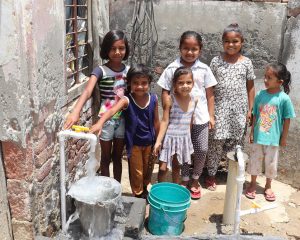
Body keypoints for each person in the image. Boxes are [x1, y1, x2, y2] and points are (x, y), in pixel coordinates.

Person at [157, 31, 217, 199]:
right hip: (179, 119)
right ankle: (184, 179)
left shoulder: (204, 69)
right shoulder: (171, 68)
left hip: (200, 116)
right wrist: (166, 105)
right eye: (186, 48)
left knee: (201, 149)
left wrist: (211, 116)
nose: (190, 52)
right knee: (182, 151)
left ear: (200, 50)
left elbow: (210, 93)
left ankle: (195, 179)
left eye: (194, 49)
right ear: (180, 48)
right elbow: (165, 90)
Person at [64, 30, 130, 182]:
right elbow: (87, 91)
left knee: (118, 157)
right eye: (113, 48)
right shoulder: (100, 71)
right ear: (106, 49)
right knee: (106, 158)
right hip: (105, 122)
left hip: (123, 120)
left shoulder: (128, 71)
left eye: (121, 48)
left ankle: (117, 189)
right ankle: (106, 188)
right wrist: (75, 112)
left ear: (126, 49)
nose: (117, 52)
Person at [90, 64, 160, 198]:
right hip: (134, 145)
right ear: (129, 84)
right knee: (137, 172)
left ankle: (144, 190)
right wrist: (100, 123)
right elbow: (111, 111)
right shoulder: (126, 100)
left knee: (147, 170)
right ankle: (138, 195)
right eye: (136, 83)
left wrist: (159, 140)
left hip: (150, 143)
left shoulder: (154, 99)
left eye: (144, 83)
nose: (140, 86)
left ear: (150, 83)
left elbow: (156, 121)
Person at [206, 23, 256, 191]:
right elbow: (210, 87)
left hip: (239, 111)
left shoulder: (247, 63)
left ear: (242, 42)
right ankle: (211, 175)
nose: (231, 44)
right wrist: (210, 112)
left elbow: (250, 87)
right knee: (215, 143)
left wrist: (251, 109)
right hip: (220, 109)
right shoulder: (216, 61)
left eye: (235, 41)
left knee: (236, 144)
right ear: (222, 42)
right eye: (227, 41)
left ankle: (232, 175)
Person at [245, 62, 295, 202]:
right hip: (258, 137)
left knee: (271, 163)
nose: (265, 80)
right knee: (254, 161)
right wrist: (252, 133)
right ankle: (253, 183)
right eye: (265, 77)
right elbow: (255, 114)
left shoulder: (283, 98)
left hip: (273, 139)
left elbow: (287, 119)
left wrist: (283, 138)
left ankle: (268, 185)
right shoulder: (260, 95)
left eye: (269, 78)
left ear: (280, 81)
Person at [154, 67, 199, 192]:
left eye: (188, 82)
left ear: (193, 83)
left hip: (183, 139)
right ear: (174, 84)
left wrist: (188, 138)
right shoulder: (170, 99)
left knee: (176, 166)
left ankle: (175, 190)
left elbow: (190, 121)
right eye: (181, 83)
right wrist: (158, 141)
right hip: (169, 138)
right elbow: (165, 121)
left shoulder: (194, 99)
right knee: (163, 168)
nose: (185, 86)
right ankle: (159, 189)